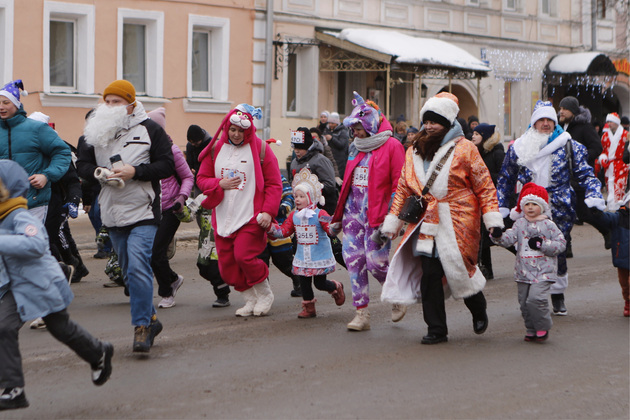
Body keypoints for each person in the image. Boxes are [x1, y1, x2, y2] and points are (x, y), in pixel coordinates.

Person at [380, 92, 502, 344]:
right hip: (425, 221)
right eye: (426, 121)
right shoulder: (414, 150)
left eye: (434, 121)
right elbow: (403, 188)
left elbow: (484, 186)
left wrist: (492, 219)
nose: (429, 126)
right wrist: (393, 222)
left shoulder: (466, 148)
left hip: (458, 219)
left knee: (459, 268)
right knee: (430, 273)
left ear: (447, 121)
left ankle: (477, 305)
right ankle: (436, 328)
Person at [0, 160, 113, 411]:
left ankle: (98, 353)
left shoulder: (20, 216)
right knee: (3, 328)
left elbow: (36, 244)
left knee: (60, 327)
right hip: (14, 288)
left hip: (41, 284)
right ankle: (13, 388)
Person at [76, 79, 174, 353]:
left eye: (116, 102)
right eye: (107, 101)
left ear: (130, 105)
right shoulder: (95, 129)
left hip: (143, 210)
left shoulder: (150, 129)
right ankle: (151, 319)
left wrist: (136, 172)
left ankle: (141, 327)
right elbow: (82, 164)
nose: (110, 106)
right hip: (111, 211)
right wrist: (99, 173)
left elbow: (167, 165)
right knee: (129, 274)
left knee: (138, 266)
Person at [496, 100, 605, 316]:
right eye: (541, 120)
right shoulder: (519, 147)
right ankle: (531, 293)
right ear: (534, 123)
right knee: (527, 250)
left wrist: (593, 195)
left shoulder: (568, 145)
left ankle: (557, 293)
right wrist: (501, 206)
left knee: (557, 250)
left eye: (549, 120)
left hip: (559, 207)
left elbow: (586, 173)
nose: (545, 123)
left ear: (555, 122)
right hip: (527, 207)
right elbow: (506, 179)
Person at [196, 103, 282, 317]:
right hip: (223, 216)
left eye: (241, 130)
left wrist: (268, 212)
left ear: (248, 130)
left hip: (251, 216)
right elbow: (202, 178)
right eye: (232, 129)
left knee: (244, 256)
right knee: (227, 267)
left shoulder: (261, 149)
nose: (236, 134)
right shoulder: (216, 149)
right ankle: (250, 299)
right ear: (226, 128)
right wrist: (219, 184)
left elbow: (274, 183)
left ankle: (265, 294)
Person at [330, 91, 405, 331]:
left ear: (371, 123)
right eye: (353, 129)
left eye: (359, 128)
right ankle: (361, 314)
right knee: (354, 261)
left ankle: (396, 295)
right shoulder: (355, 147)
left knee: (375, 262)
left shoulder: (392, 146)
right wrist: (339, 216)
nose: (356, 133)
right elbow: (348, 182)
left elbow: (399, 185)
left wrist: (394, 217)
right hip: (353, 214)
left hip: (378, 216)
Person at [491, 183, 566, 342]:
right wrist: (497, 235)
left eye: (534, 204)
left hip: (543, 271)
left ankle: (542, 327)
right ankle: (531, 329)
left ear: (542, 206)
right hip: (523, 272)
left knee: (536, 299)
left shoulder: (549, 225)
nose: (530, 207)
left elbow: (560, 244)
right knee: (524, 303)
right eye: (527, 204)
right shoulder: (519, 224)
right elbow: (508, 239)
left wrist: (542, 244)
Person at [267, 168, 345, 318]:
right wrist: (270, 227)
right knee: (304, 283)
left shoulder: (320, 214)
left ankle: (336, 286)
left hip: (319, 256)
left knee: (320, 284)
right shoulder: (294, 216)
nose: (297, 199)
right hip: (302, 257)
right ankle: (309, 308)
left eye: (301, 196)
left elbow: (330, 229)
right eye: (296, 196)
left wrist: (336, 224)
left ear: (310, 197)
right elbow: (284, 231)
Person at [0, 79, 71, 223]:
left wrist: (46, 175)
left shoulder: (37, 129)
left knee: (29, 238)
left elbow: (62, 152)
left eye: (6, 102)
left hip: (32, 203)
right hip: (3, 204)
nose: (1, 107)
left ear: (16, 104)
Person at [146, 108, 194, 309]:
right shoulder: (142, 151)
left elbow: (188, 177)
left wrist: (181, 198)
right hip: (149, 209)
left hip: (171, 208)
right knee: (149, 252)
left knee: (157, 252)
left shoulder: (172, 151)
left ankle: (166, 292)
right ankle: (173, 279)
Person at [471, 123, 505, 280]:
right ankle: (486, 268)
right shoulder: (477, 152)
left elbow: (503, 177)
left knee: (498, 235)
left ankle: (522, 253)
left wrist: (485, 175)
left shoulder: (497, 152)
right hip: (480, 198)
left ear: (484, 136)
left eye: (477, 134)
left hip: (495, 199)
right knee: (482, 235)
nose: (473, 136)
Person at [589, 193, 629, 317]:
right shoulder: (619, 217)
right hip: (623, 257)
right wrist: (596, 211)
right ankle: (628, 302)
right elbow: (605, 219)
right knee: (625, 285)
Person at [595, 113, 628, 211]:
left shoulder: (626, 134)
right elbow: (603, 150)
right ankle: (611, 209)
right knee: (610, 187)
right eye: (608, 122)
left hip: (622, 165)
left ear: (616, 122)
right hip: (609, 166)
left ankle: (619, 210)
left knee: (619, 188)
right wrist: (603, 157)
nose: (608, 124)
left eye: (611, 122)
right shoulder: (605, 136)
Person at [186, 124, 212, 197]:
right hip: (197, 181)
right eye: (191, 142)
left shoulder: (211, 144)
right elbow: (189, 162)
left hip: (210, 180)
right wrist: (190, 169)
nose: (193, 144)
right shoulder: (190, 145)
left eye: (196, 142)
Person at [324, 112, 350, 178]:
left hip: (340, 160)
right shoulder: (326, 130)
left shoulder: (343, 131)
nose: (330, 125)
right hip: (330, 158)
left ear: (337, 123)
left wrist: (332, 138)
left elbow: (342, 144)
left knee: (338, 178)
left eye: (332, 123)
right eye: (329, 123)